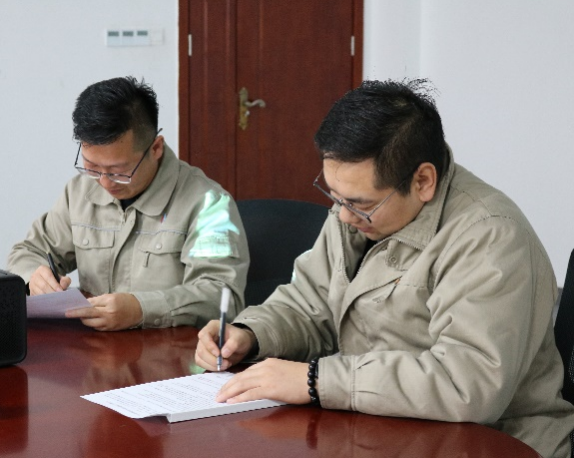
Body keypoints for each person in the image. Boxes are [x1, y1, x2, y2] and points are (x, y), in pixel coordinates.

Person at [195, 79, 574, 458]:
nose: (343, 215)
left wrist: (317, 380)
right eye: (334, 196)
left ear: (423, 181)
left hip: (492, 442)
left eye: (359, 204)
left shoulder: (489, 236)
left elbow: (469, 384)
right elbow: (310, 302)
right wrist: (251, 334)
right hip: (383, 428)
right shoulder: (355, 212)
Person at [7, 76, 249, 331]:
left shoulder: (209, 205)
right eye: (91, 167)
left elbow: (221, 296)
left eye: (118, 171)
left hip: (173, 350)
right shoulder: (79, 192)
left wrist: (142, 309)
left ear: (155, 148)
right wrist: (35, 276)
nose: (104, 182)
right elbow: (27, 251)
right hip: (95, 348)